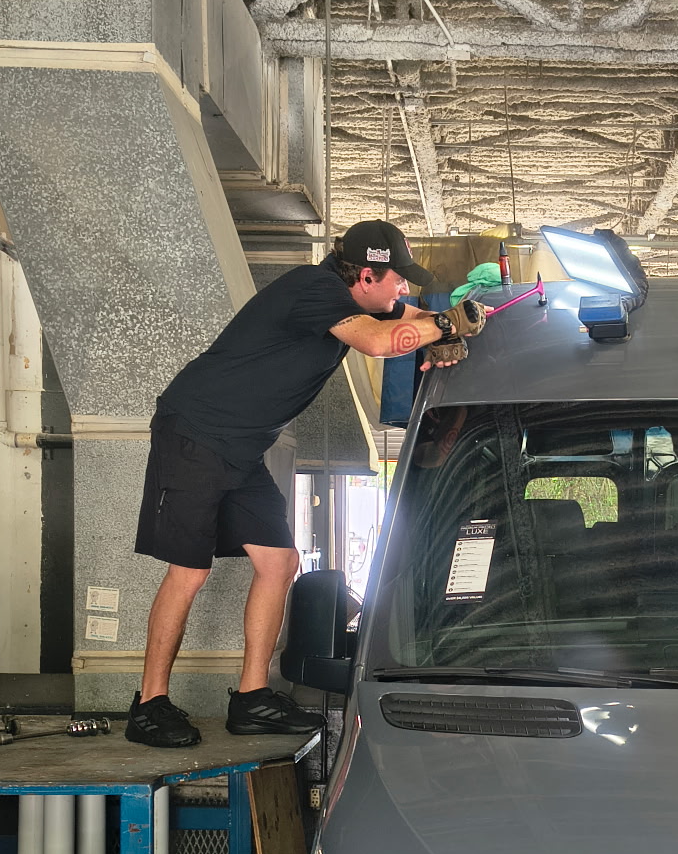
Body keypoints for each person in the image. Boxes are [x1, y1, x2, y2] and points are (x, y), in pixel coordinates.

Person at [125, 220, 484, 748]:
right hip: (196, 434)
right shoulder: (314, 289)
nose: (403, 287)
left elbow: (408, 318)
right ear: (366, 276)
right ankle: (149, 705)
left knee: (279, 562)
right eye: (397, 278)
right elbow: (380, 343)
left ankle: (252, 699)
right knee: (190, 571)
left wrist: (448, 327)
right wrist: (449, 325)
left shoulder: (356, 298)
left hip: (243, 446)